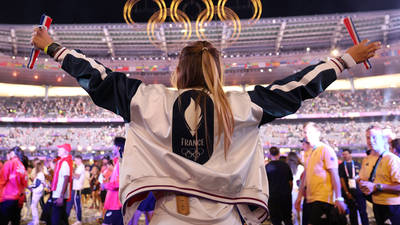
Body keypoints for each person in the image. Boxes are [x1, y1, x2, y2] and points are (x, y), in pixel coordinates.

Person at [31, 28, 381, 224]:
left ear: (179, 72)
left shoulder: (150, 101)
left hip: (170, 217)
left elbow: (99, 77)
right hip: (226, 218)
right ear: (218, 72)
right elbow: (296, 87)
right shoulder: (240, 106)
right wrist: (345, 59)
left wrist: (53, 47)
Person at [295, 122, 346, 225]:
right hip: (310, 198)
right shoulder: (307, 153)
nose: (307, 135)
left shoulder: (326, 150)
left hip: (323, 197)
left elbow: (334, 175)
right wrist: (299, 197)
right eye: (305, 132)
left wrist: (339, 198)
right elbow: (304, 176)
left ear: (318, 133)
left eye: (310, 132)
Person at [358, 127, 400, 225]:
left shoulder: (392, 159)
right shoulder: (366, 160)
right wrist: (362, 184)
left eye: (374, 137)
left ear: (383, 139)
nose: (370, 141)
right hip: (376, 204)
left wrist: (376, 186)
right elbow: (362, 179)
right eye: (368, 138)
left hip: (392, 205)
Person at [338, 148, 368, 225]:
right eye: (343, 154)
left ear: (350, 154)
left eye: (346, 154)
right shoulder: (341, 166)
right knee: (352, 213)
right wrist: (347, 192)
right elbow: (342, 180)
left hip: (359, 192)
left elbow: (362, 177)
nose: (344, 156)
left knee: (363, 212)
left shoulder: (357, 164)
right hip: (349, 193)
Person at [0, 146, 28, 225]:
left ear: (12, 153)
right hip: (16, 198)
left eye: (8, 153)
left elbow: (2, 181)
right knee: (15, 221)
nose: (7, 155)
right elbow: (24, 184)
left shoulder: (10, 163)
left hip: (7, 197)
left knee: (3, 221)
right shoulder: (22, 166)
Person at [99, 137, 125, 225]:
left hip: (116, 203)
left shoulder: (121, 161)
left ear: (118, 147)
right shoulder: (119, 161)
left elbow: (119, 182)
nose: (112, 147)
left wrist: (106, 185)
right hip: (116, 203)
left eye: (113, 145)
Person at [265, 147, 293, 225]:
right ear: (279, 154)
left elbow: (265, 183)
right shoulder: (286, 166)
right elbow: (290, 182)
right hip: (285, 196)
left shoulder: (267, 167)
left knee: (276, 220)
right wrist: (288, 192)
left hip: (273, 196)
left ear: (270, 154)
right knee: (287, 219)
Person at [51, 143, 73, 225]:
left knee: (56, 220)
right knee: (62, 219)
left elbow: (66, 179)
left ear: (66, 151)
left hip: (59, 195)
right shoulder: (62, 162)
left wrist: (61, 196)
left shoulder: (64, 163)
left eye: (60, 149)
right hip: (59, 193)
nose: (58, 150)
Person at [66, 155, 85, 225]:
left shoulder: (80, 167)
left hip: (77, 188)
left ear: (79, 160)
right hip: (75, 188)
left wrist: (71, 172)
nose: (75, 161)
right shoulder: (79, 167)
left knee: (77, 205)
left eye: (76, 160)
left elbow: (77, 176)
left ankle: (79, 220)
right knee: (71, 203)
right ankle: (66, 217)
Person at [286, 152, 304, 225]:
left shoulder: (286, 167)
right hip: (299, 191)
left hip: (290, 191)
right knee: (300, 211)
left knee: (292, 212)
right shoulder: (300, 167)